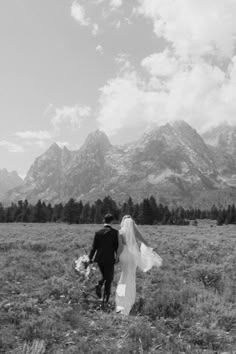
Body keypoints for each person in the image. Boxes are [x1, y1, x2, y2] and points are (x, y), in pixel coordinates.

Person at [115, 215, 162, 315]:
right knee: (131, 276)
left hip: (124, 254)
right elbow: (144, 241)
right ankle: (129, 300)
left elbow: (119, 248)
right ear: (132, 223)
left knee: (124, 276)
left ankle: (121, 300)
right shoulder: (134, 231)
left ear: (123, 222)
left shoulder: (120, 232)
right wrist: (150, 249)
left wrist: (116, 257)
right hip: (132, 255)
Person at [89, 213, 119, 305]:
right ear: (112, 221)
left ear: (103, 220)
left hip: (99, 259)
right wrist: (118, 258)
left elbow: (94, 247)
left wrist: (90, 258)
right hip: (110, 259)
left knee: (105, 276)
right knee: (109, 279)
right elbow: (116, 247)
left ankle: (100, 284)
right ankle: (105, 300)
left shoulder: (98, 232)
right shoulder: (115, 233)